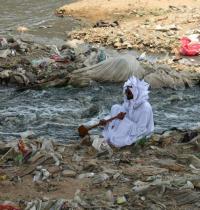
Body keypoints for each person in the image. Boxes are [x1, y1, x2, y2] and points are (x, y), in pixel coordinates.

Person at [99, 76, 154, 148]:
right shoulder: (128, 102)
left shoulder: (145, 107)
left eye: (129, 92)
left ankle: (117, 137)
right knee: (115, 108)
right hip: (129, 127)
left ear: (135, 92)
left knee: (117, 139)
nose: (126, 94)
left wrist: (125, 126)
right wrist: (106, 121)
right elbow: (119, 116)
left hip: (140, 132)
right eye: (126, 91)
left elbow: (141, 130)